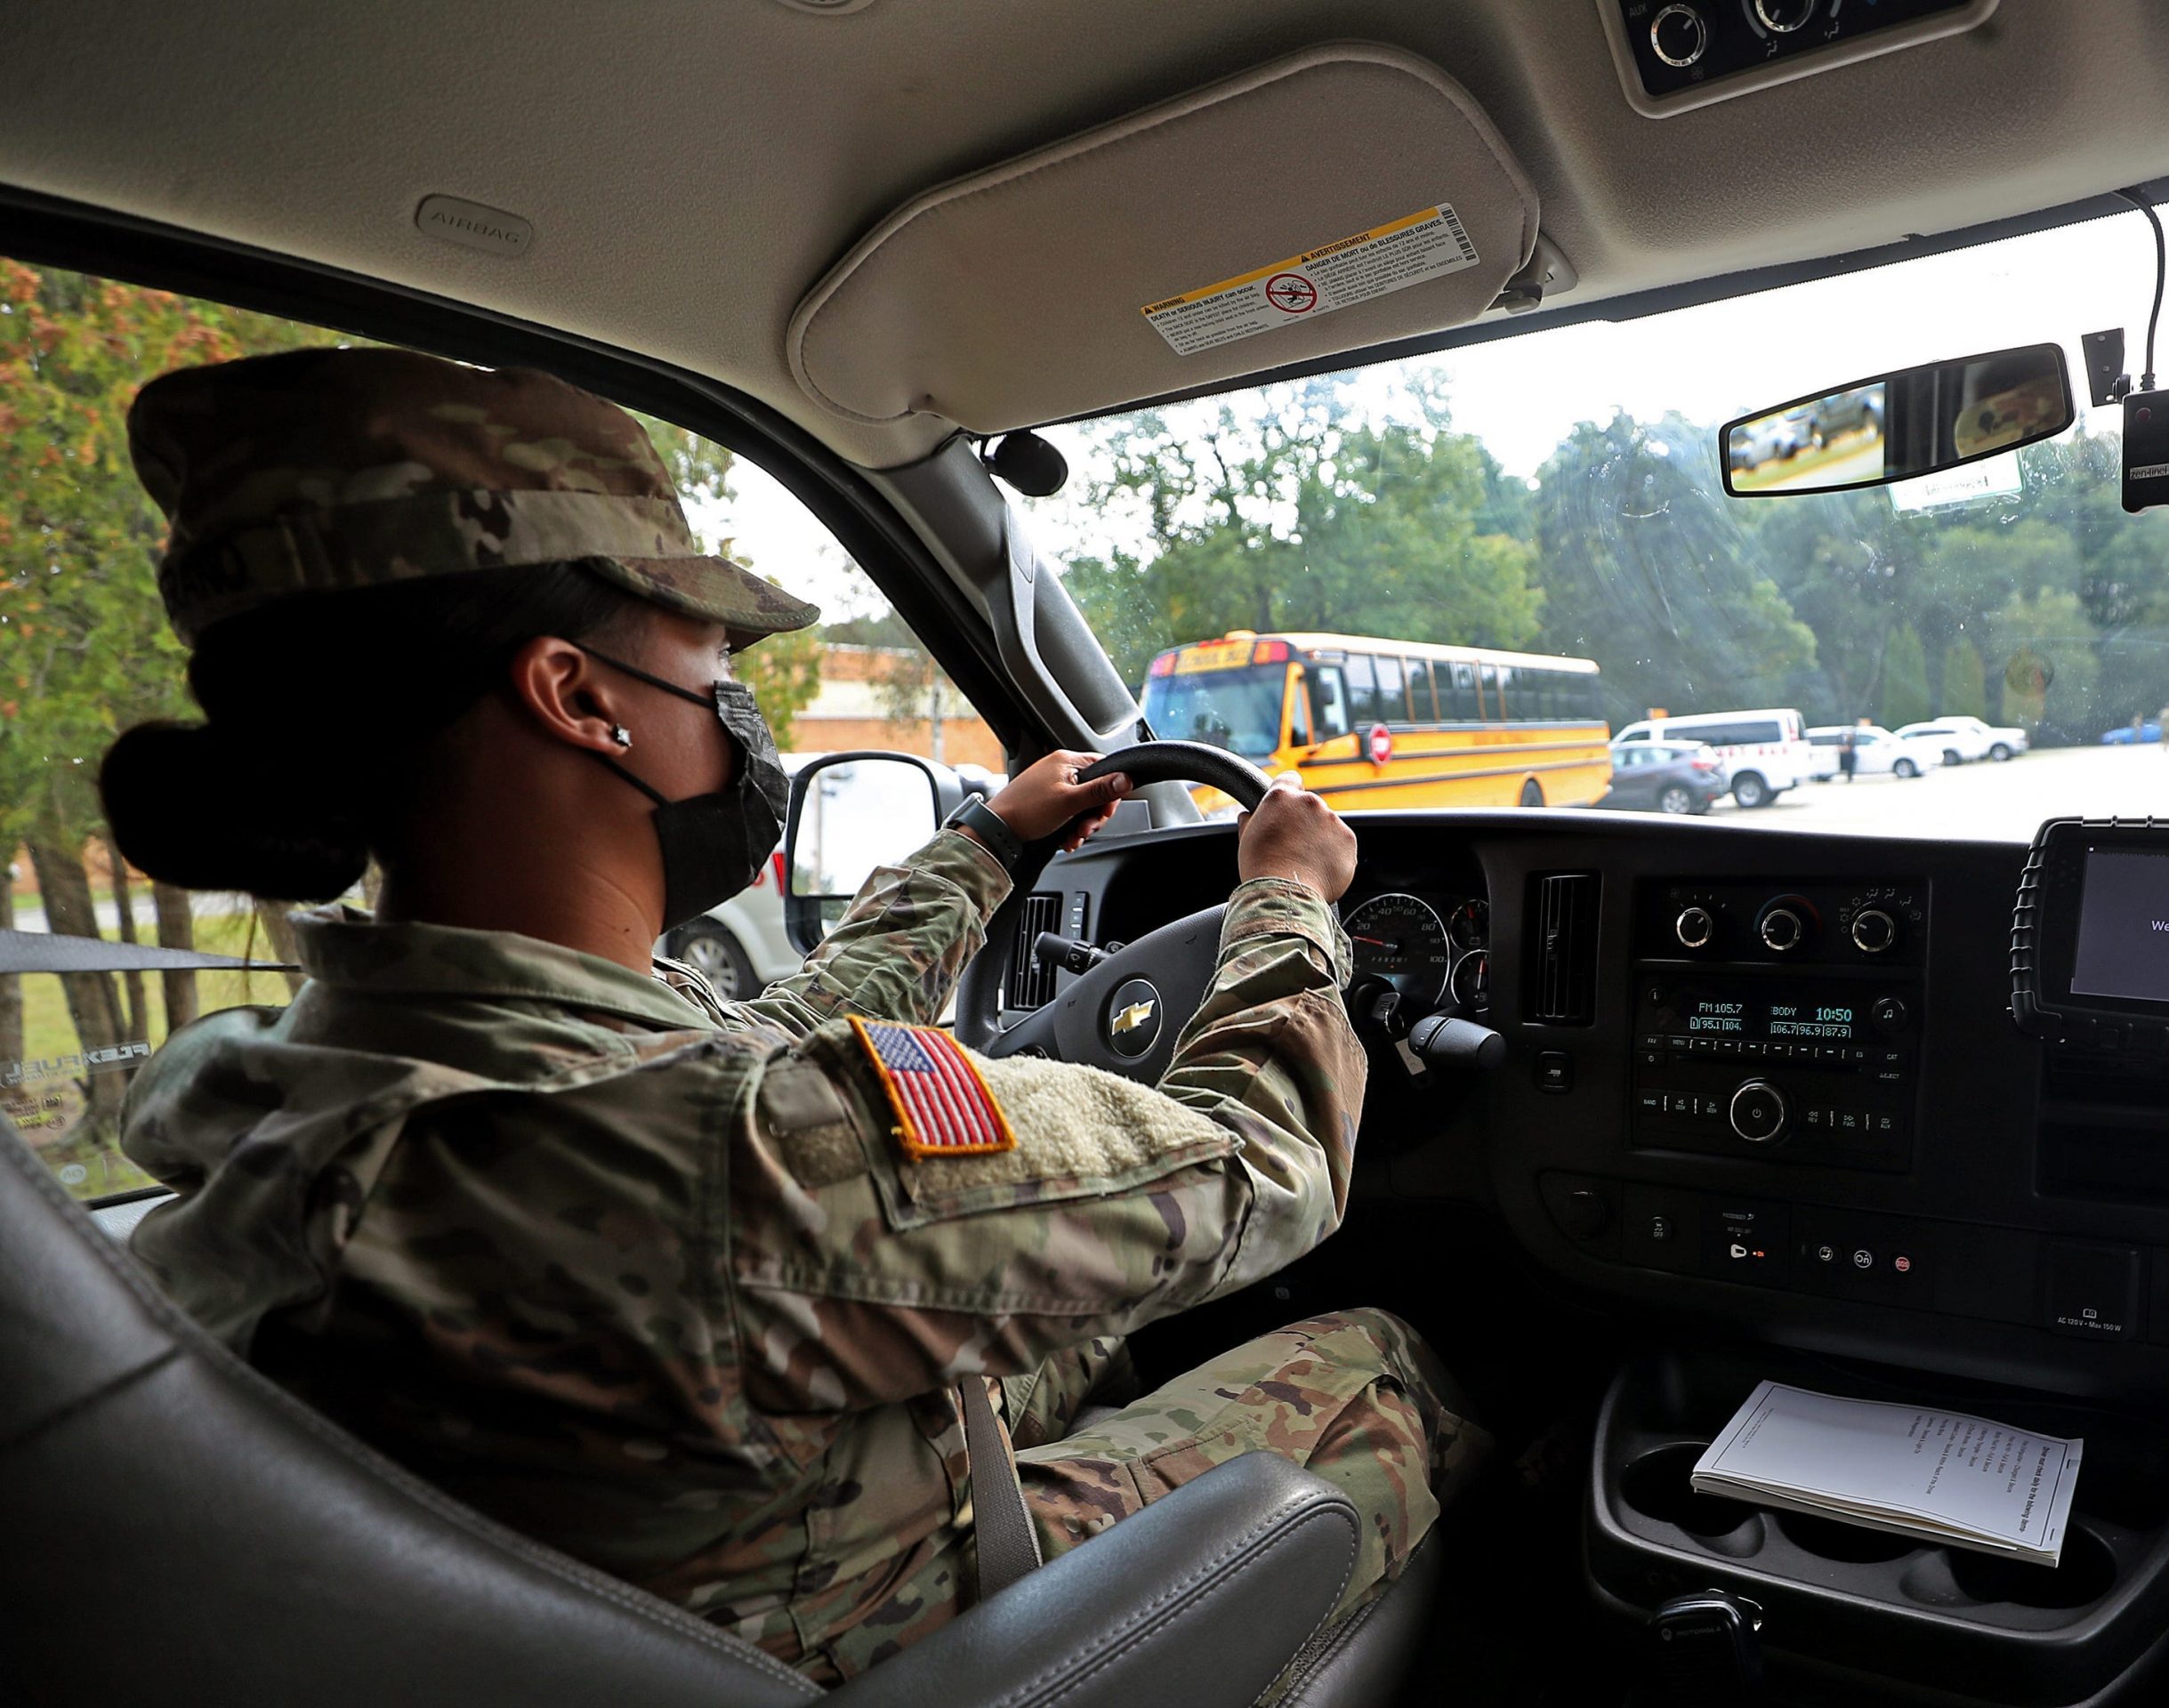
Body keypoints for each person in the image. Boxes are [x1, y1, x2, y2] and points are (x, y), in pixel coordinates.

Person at [100, 348, 1485, 1688]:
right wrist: (1293, 904)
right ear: (580, 697)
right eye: (710, 666)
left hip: (665, 1583)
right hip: (882, 1639)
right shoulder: (728, 1166)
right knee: (1371, 1356)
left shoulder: (285, 1085)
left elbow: (755, 1055)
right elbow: (1266, 1166)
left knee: (1099, 1342)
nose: (737, 713)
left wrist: (987, 849)